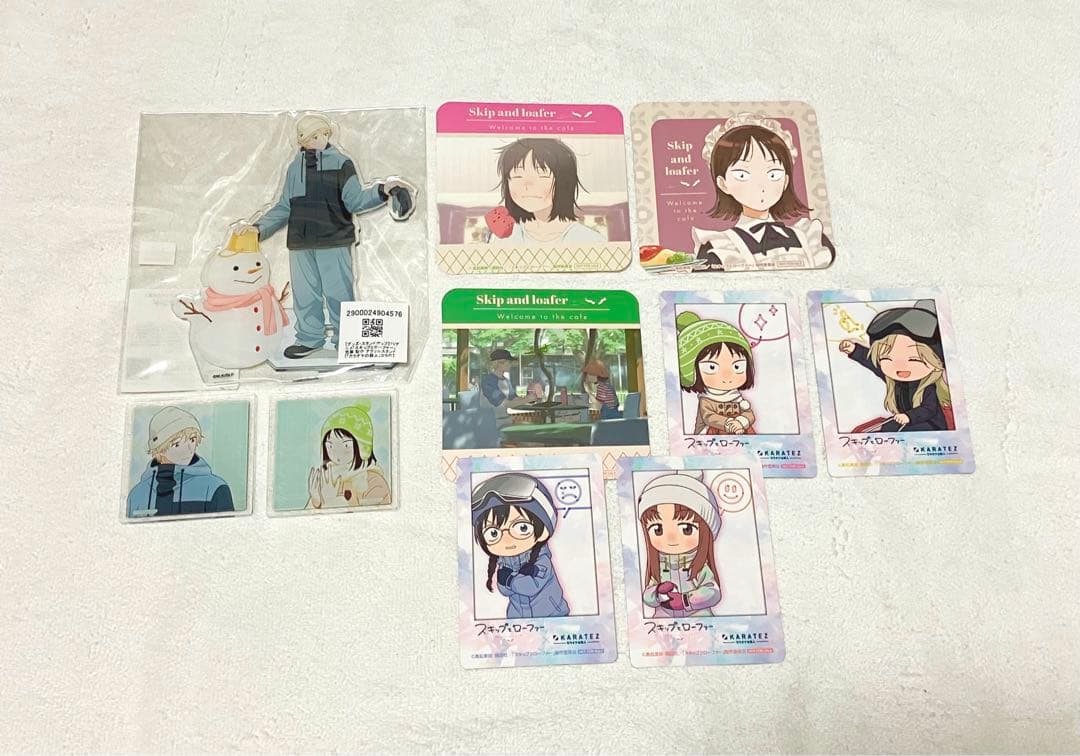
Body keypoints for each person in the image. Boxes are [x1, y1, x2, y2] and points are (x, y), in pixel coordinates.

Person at [246, 113, 415, 359]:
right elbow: (284, 207)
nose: (318, 140)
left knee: (339, 295)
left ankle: (346, 340)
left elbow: (355, 201)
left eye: (322, 134)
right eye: (311, 136)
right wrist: (258, 229)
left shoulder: (342, 164)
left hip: (334, 240)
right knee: (305, 295)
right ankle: (309, 339)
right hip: (300, 243)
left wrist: (382, 190)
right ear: (301, 140)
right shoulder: (294, 168)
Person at [691, 114, 833, 271]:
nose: (760, 185)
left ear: (785, 181)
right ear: (723, 184)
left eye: (773, 174)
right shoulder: (719, 247)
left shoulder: (810, 237)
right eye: (742, 175)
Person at [838, 300, 952, 433]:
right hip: (905, 421)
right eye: (887, 358)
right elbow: (872, 363)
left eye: (914, 359)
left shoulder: (928, 387)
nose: (900, 366)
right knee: (888, 427)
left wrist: (909, 416)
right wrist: (854, 350)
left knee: (902, 431)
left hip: (931, 426)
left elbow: (928, 409)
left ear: (936, 363)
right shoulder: (894, 380)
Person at [471, 473, 570, 619]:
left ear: (543, 531)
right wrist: (512, 580)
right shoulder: (504, 560)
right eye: (493, 533)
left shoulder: (541, 560)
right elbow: (504, 590)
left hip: (551, 616)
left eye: (522, 528)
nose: (506, 539)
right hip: (518, 619)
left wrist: (509, 579)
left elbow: (530, 587)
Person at [637, 472, 723, 618]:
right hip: (665, 619)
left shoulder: (699, 566)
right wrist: (657, 593)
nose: (671, 537)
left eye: (686, 529)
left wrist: (686, 601)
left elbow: (713, 592)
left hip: (697, 618)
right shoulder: (659, 566)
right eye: (658, 529)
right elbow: (647, 595)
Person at [490, 138, 604, 245]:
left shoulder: (589, 240)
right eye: (517, 176)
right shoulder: (502, 239)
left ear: (563, 182)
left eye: (542, 176)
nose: (527, 185)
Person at [127, 407, 234, 517]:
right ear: (159, 449)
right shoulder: (137, 494)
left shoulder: (215, 488)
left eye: (192, 440)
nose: (188, 449)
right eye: (177, 444)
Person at [676, 312, 756, 434]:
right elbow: (709, 417)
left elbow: (749, 414)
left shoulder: (737, 397)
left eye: (737, 366)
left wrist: (741, 421)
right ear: (693, 373)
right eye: (712, 367)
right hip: (713, 436)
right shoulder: (706, 400)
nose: (727, 376)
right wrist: (729, 424)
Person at [307, 403, 390, 508]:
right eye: (330, 446)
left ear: (362, 448)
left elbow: (376, 515)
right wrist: (316, 501)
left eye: (346, 445)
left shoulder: (373, 481)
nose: (337, 453)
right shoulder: (326, 478)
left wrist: (332, 502)